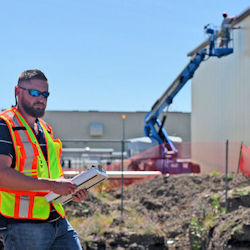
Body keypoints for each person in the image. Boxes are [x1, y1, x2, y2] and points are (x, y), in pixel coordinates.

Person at [0, 69, 88, 250]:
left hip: (58, 221)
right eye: (34, 93)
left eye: (45, 94)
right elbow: (1, 174)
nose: (41, 98)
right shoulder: (4, 124)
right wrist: (53, 185)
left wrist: (72, 189)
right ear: (18, 92)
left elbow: (52, 175)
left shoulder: (45, 130)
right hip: (23, 226)